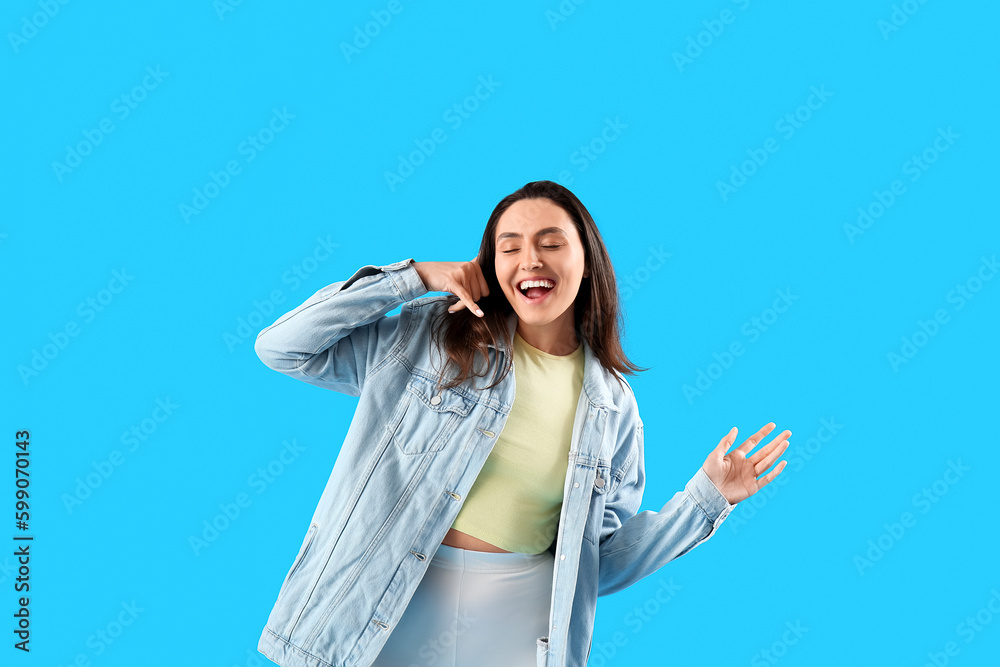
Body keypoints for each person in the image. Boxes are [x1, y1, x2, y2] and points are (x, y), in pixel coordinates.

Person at [253, 180, 790, 667]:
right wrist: (412, 279)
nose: (529, 259)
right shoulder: (427, 337)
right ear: (491, 267)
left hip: (514, 629)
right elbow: (283, 348)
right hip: (384, 606)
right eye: (510, 248)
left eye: (551, 243)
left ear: (587, 261)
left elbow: (595, 564)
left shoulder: (613, 407)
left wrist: (704, 500)